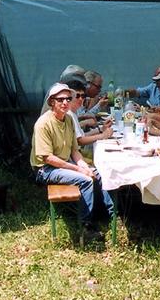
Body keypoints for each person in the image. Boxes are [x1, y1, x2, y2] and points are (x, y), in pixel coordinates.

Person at [30, 83, 115, 239]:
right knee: (85, 180)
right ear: (51, 102)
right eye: (60, 99)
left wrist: (83, 165)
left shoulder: (68, 118)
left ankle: (111, 215)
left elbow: (74, 150)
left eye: (68, 99)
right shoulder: (43, 123)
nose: (65, 103)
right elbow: (47, 158)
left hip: (63, 163)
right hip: (45, 169)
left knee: (98, 173)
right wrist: (78, 169)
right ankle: (86, 226)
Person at [64, 78, 114, 162]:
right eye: (77, 96)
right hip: (71, 158)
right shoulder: (69, 114)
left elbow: (81, 135)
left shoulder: (73, 113)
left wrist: (100, 129)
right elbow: (80, 141)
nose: (81, 99)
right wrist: (103, 136)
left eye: (83, 96)